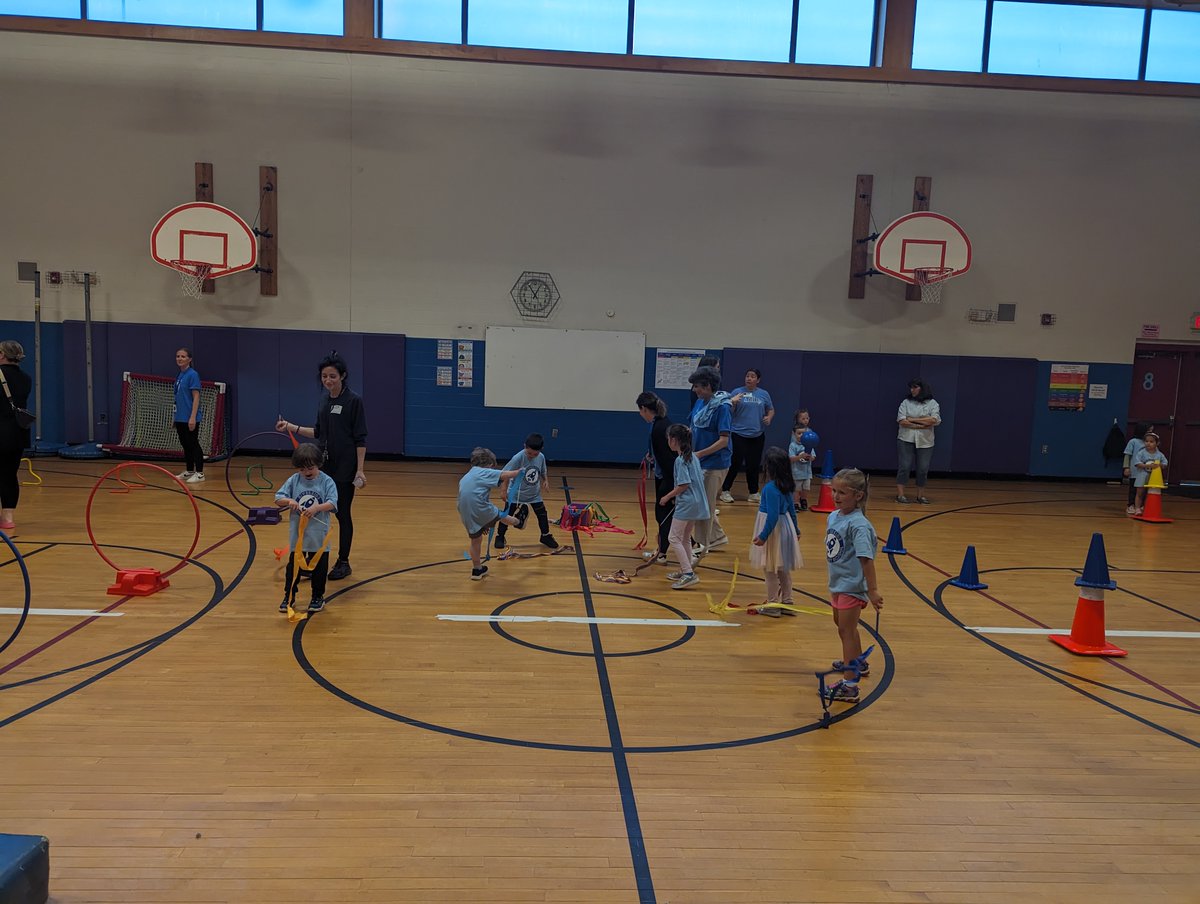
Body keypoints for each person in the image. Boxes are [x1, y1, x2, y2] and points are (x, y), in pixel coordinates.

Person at [276, 352, 367, 581]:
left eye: (333, 376)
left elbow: (360, 439)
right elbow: (318, 433)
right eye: (325, 376)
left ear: (343, 376)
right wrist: (291, 426)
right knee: (315, 513)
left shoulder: (353, 401)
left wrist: (360, 470)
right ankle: (312, 559)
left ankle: (343, 562)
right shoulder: (324, 400)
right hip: (323, 465)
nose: (328, 380)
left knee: (342, 514)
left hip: (346, 467)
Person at [823, 468, 883, 703]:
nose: (836, 497)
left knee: (846, 631)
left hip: (852, 586)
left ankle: (850, 685)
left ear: (858, 496)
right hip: (838, 583)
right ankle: (858, 662)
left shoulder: (859, 526)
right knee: (842, 625)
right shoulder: (835, 516)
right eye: (834, 491)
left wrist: (873, 590)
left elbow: (866, 560)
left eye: (842, 493)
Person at [275, 443, 339, 614]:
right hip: (298, 537)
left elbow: (333, 502)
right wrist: (290, 501)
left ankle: (317, 597)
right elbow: (278, 498)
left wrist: (317, 508)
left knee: (319, 570)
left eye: (310, 468)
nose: (306, 472)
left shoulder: (327, 481)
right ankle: (289, 596)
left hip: (319, 537)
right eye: (302, 469)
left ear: (318, 464)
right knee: (293, 570)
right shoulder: (293, 480)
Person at [457, 447, 528, 580]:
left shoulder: (469, 474)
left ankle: (477, 570)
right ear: (489, 464)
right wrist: (518, 472)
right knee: (499, 515)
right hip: (478, 506)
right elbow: (504, 475)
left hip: (463, 509)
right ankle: (518, 522)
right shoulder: (484, 471)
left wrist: (481, 522)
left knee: (475, 540)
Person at [750, 447, 803, 618]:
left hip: (773, 532)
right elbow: (792, 511)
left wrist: (763, 536)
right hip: (785, 527)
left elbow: (772, 516)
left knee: (770, 569)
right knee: (783, 569)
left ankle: (772, 604)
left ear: (769, 468)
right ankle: (787, 602)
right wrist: (796, 529)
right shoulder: (786, 485)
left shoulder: (770, 488)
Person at [658, 424, 709, 590]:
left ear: (674, 440)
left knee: (673, 538)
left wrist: (667, 497)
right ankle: (686, 569)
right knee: (685, 537)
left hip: (687, 504)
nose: (668, 441)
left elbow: (684, 485)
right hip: (697, 503)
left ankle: (688, 574)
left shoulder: (680, 461)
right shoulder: (693, 457)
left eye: (668, 438)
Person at [688, 366, 731, 554]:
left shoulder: (722, 407)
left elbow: (724, 440)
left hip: (715, 463)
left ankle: (701, 545)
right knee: (703, 502)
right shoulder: (700, 402)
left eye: (697, 386)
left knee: (704, 506)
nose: (694, 390)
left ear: (707, 386)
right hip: (700, 461)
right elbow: (693, 427)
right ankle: (717, 537)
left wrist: (700, 454)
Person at [720, 368, 774, 504]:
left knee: (754, 465)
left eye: (752, 376)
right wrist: (733, 403)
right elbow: (728, 409)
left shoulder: (764, 394)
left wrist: (769, 417)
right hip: (738, 434)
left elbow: (771, 409)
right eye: (747, 376)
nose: (749, 378)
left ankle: (753, 492)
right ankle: (725, 491)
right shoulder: (737, 392)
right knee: (735, 463)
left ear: (758, 380)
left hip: (757, 435)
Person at [495, 432, 558, 550]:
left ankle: (545, 536)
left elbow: (543, 471)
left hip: (534, 494)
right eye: (529, 453)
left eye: (535, 453)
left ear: (541, 450)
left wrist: (546, 481)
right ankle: (500, 536)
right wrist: (503, 490)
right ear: (524, 446)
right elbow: (505, 474)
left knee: (542, 514)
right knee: (507, 514)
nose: (532, 456)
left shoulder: (541, 457)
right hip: (516, 494)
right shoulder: (518, 458)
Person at [637, 391, 675, 565]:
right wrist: (651, 455)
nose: (640, 414)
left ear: (645, 409)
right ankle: (662, 550)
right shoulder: (660, 423)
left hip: (668, 478)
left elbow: (668, 458)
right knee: (664, 515)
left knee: (664, 514)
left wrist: (670, 488)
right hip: (664, 476)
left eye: (640, 410)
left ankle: (663, 552)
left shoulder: (659, 428)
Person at [0, 340, 32, 531]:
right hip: (17, 434)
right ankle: (8, 518)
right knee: (9, 475)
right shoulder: (26, 378)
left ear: (3, 355)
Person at [895, 378, 941, 504]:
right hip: (906, 438)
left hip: (925, 441)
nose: (912, 390)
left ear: (922, 388)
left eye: (915, 387)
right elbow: (902, 420)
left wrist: (913, 419)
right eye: (911, 387)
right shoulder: (906, 402)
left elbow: (933, 420)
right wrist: (922, 423)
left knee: (922, 469)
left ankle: (920, 496)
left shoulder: (933, 403)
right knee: (904, 466)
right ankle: (900, 495)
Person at [173, 347, 205, 484]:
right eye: (178, 356)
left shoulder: (193, 375)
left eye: (183, 356)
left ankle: (200, 473)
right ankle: (189, 470)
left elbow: (196, 397)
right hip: (180, 416)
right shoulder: (180, 375)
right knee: (185, 444)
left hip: (190, 416)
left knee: (193, 443)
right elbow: (177, 397)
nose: (180, 359)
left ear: (189, 359)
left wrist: (192, 417)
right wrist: (174, 417)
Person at [1131, 432, 1168, 516]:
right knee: (1140, 492)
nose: (1148, 443)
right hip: (1142, 475)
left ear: (1157, 443)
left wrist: (1160, 465)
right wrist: (1147, 465)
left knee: (1151, 492)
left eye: (1151, 442)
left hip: (1154, 477)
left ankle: (1147, 507)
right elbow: (1137, 463)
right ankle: (1137, 508)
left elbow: (1165, 463)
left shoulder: (1159, 455)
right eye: (1146, 441)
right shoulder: (1141, 453)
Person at [788, 411, 816, 511]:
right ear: (794, 434)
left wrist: (810, 457)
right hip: (797, 472)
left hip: (807, 472)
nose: (801, 435)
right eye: (799, 433)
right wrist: (800, 457)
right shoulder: (793, 445)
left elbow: (813, 456)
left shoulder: (809, 444)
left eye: (803, 433)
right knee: (796, 489)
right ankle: (795, 503)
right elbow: (791, 458)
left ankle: (803, 500)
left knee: (805, 489)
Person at [1122, 422, 1151, 515]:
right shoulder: (1133, 441)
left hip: (1145, 472)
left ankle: (1141, 506)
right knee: (1133, 490)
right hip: (1135, 472)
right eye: (1149, 431)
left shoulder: (1149, 443)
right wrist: (1126, 467)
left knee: (1144, 490)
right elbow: (1127, 455)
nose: (1151, 433)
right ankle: (1131, 505)